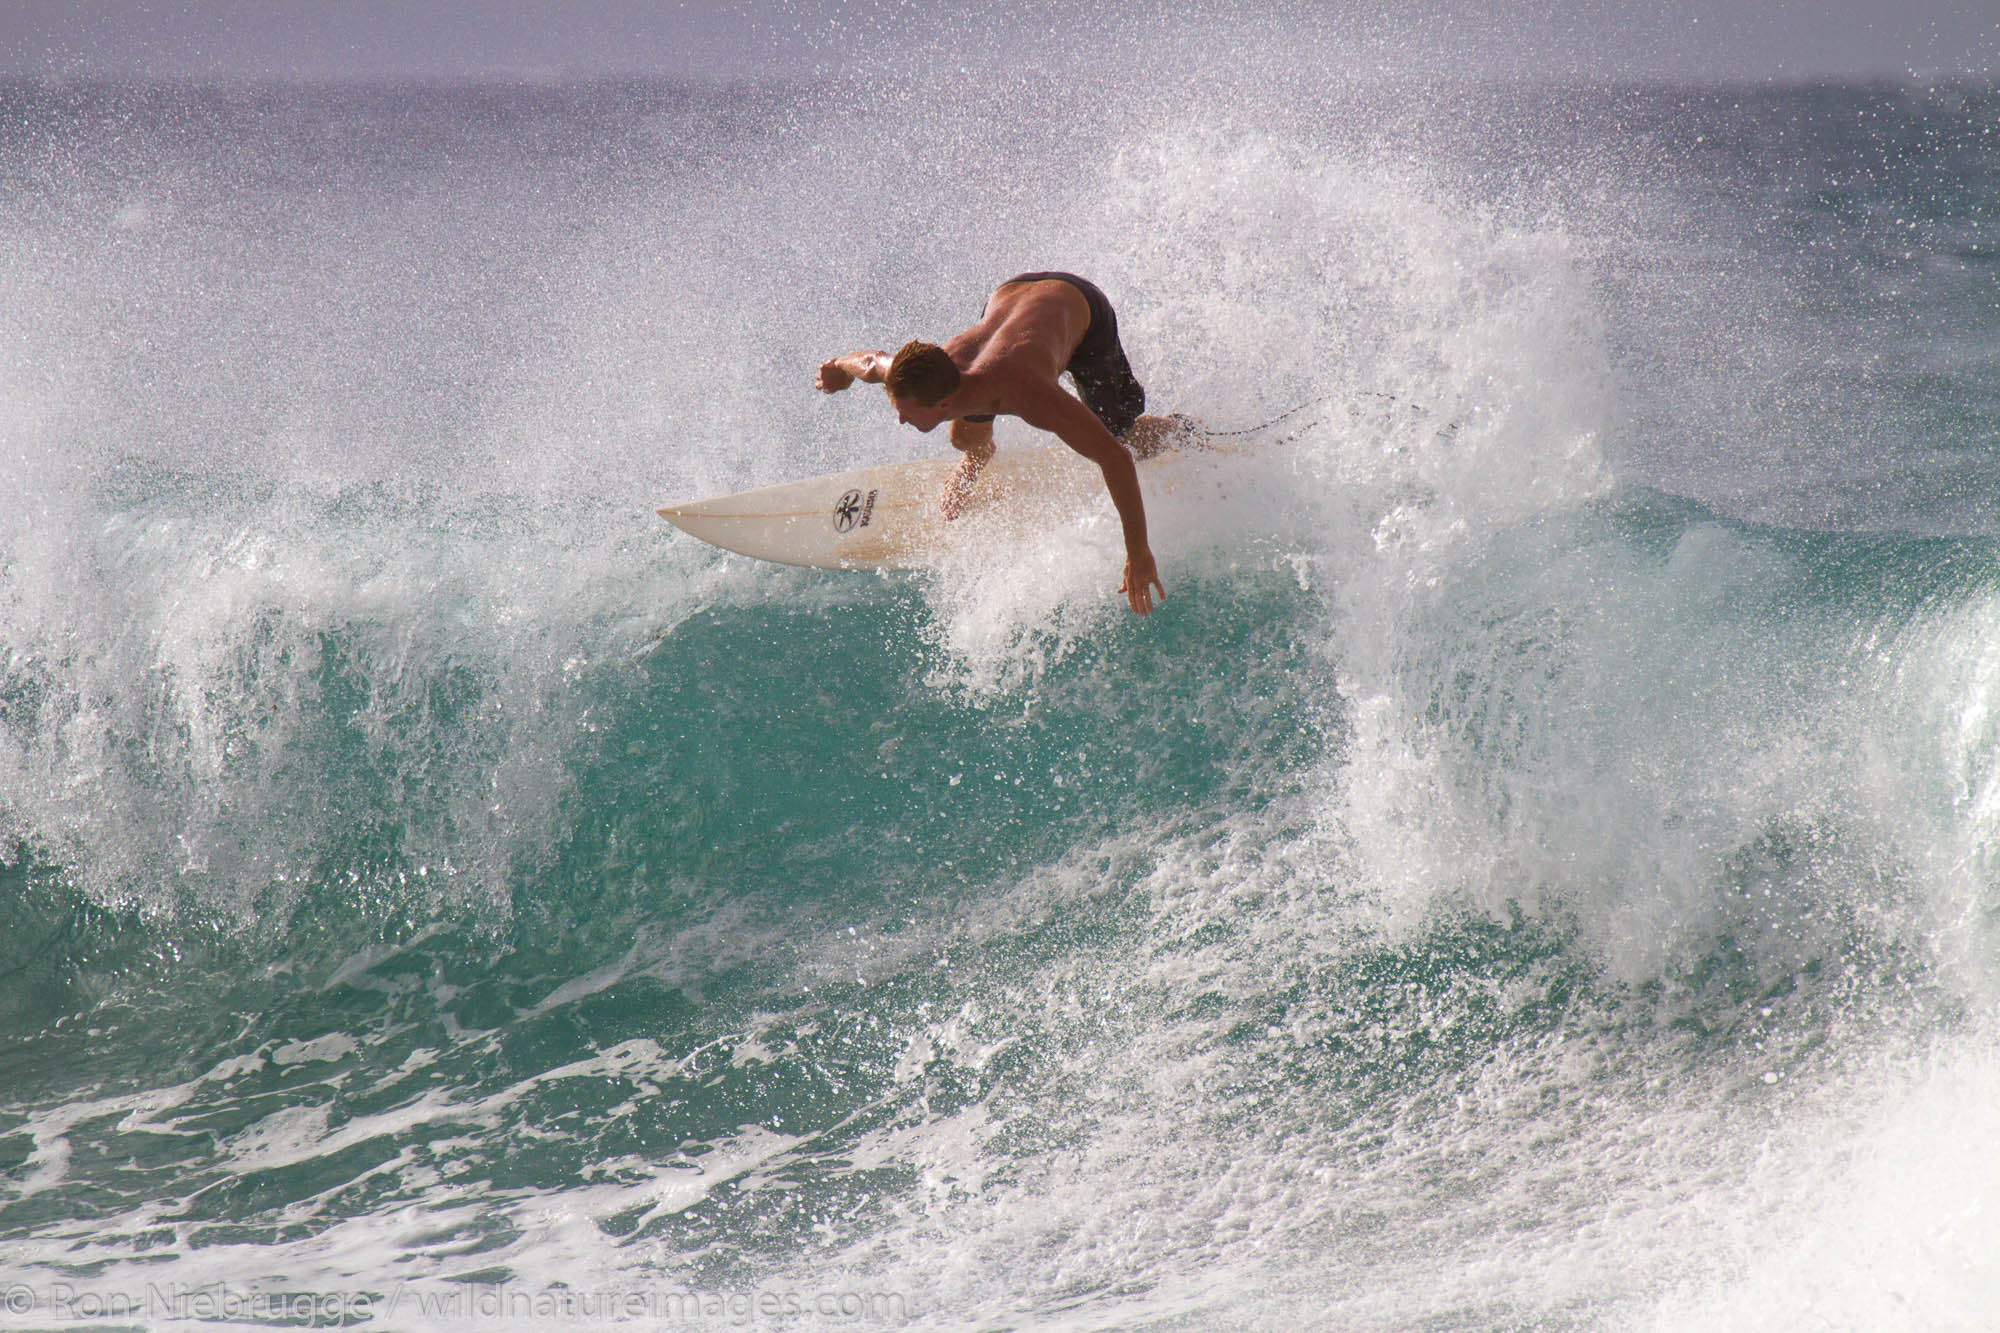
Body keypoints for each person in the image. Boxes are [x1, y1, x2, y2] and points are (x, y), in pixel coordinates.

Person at [815, 271, 1188, 617]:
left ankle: (1180, 429)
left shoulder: (1028, 393)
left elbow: (1115, 460)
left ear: (944, 403)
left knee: (1118, 434)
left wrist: (1138, 553)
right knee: (962, 437)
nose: (900, 419)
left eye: (906, 412)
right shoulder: (918, 374)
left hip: (1080, 310)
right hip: (1013, 297)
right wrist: (837, 369)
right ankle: (979, 455)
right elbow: (868, 362)